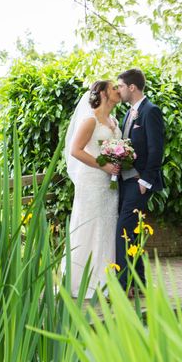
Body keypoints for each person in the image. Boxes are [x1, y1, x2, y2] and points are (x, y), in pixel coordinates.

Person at [62, 80, 122, 298]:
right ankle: (82, 281)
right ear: (104, 93)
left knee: (107, 226)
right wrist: (104, 165)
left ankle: (105, 278)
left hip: (109, 184)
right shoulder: (90, 120)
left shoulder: (113, 121)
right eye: (114, 88)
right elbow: (76, 151)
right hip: (92, 181)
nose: (118, 91)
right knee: (89, 225)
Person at [115, 68, 165, 293]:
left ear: (132, 87)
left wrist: (145, 181)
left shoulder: (150, 111)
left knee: (123, 231)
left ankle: (124, 285)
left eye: (121, 86)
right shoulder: (129, 113)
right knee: (132, 233)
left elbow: (156, 149)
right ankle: (141, 283)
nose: (119, 90)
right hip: (126, 182)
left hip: (139, 183)